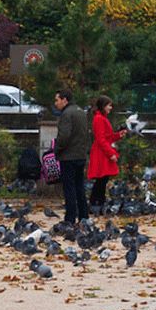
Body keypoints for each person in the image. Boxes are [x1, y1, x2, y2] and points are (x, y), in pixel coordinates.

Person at [54, 88, 90, 224]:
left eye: (57, 100)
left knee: (69, 188)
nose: (56, 103)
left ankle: (70, 218)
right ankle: (83, 216)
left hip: (68, 156)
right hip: (80, 155)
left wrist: (57, 149)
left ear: (64, 100)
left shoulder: (66, 114)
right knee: (80, 187)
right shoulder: (81, 112)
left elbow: (64, 136)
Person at [87, 95, 127, 212]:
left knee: (102, 179)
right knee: (102, 179)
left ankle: (97, 202)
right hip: (102, 153)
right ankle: (96, 202)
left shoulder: (100, 118)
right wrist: (111, 154)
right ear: (103, 106)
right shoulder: (100, 119)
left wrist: (118, 135)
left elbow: (106, 137)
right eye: (109, 105)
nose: (111, 108)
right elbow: (101, 139)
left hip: (102, 151)